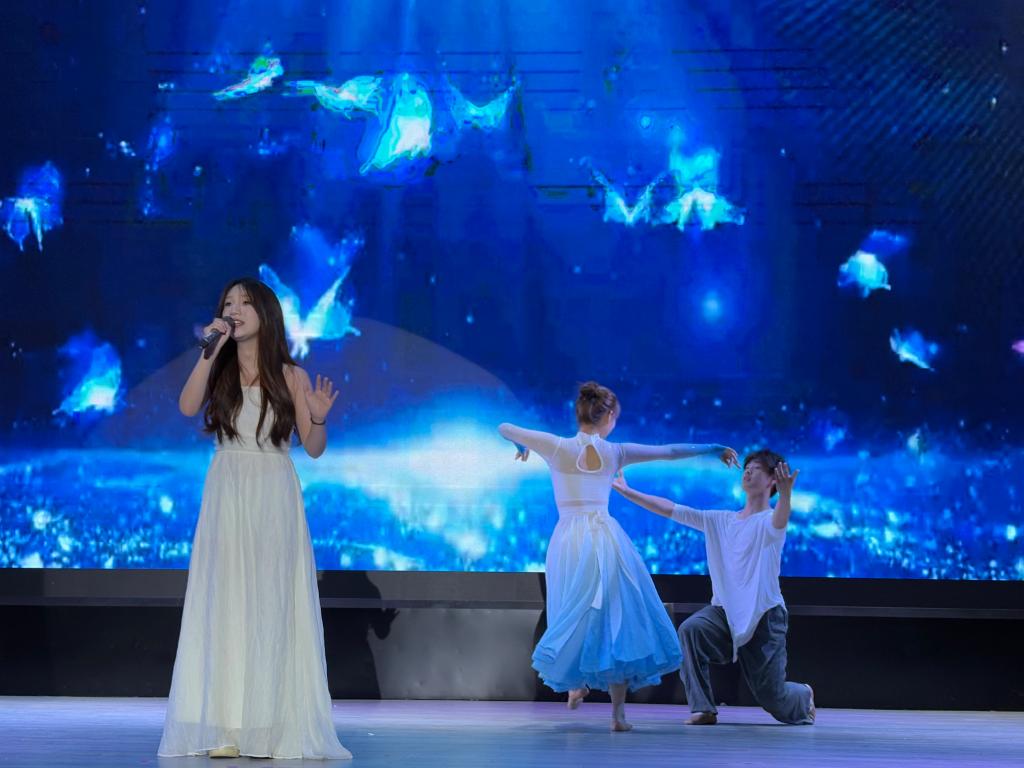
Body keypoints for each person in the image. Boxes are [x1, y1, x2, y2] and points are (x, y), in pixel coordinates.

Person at [158, 278, 351, 759]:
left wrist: (318, 417)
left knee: (269, 603)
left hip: (272, 492)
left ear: (266, 313)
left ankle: (267, 727)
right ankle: (227, 727)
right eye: (229, 302)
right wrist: (210, 351)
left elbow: (313, 448)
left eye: (245, 302)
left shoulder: (291, 375)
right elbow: (186, 406)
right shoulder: (218, 370)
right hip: (227, 490)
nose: (236, 309)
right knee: (227, 602)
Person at [499, 381, 738, 731]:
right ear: (609, 416)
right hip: (605, 539)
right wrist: (713, 448)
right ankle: (617, 715)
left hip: (568, 540)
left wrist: (521, 443)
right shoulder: (616, 452)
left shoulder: (556, 447)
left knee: (571, 612)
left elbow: (505, 427)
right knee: (614, 620)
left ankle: (576, 684)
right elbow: (669, 451)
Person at [613, 449, 815, 726]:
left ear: (772, 480)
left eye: (756, 468)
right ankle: (703, 708)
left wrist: (787, 495)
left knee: (773, 698)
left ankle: (803, 694)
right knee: (691, 630)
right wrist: (627, 492)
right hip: (725, 614)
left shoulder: (767, 522)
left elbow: (780, 520)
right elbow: (672, 509)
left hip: (764, 617)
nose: (748, 471)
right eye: (747, 467)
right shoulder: (721, 520)